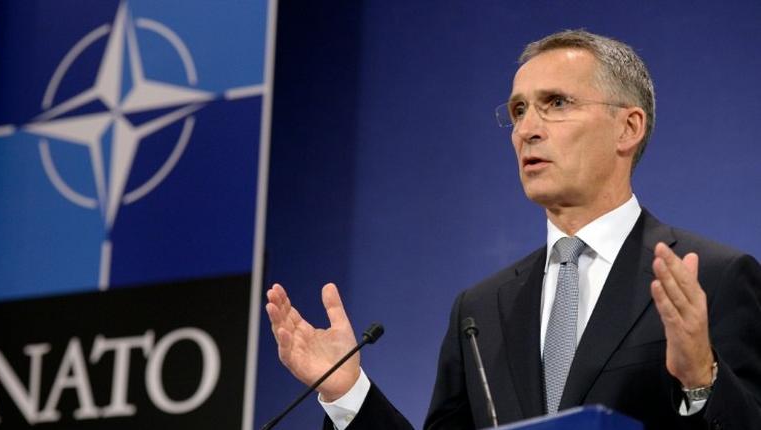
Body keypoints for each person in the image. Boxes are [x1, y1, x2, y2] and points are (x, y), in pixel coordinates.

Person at [265, 30, 761, 430]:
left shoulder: (711, 279)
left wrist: (701, 379)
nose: (527, 129)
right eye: (520, 109)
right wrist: (348, 393)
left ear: (627, 128)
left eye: (557, 103)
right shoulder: (480, 310)